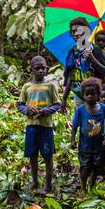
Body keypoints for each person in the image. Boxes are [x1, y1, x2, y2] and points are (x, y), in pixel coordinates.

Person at [18, 54, 63, 195]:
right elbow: (20, 104)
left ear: (47, 69)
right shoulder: (27, 87)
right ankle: (35, 182)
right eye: (37, 68)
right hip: (31, 126)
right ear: (31, 70)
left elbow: (57, 104)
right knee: (33, 155)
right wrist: (27, 110)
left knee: (48, 155)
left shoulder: (50, 86)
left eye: (43, 68)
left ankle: (48, 185)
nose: (41, 71)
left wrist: (45, 111)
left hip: (46, 126)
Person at [71, 77, 105, 193]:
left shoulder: (103, 108)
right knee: (84, 167)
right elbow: (75, 126)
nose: (90, 96)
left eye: (92, 94)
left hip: (99, 145)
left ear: (98, 94)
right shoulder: (80, 109)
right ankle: (83, 187)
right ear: (83, 95)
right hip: (84, 146)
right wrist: (73, 140)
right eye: (87, 94)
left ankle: (92, 184)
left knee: (96, 167)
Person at [62, 20, 105, 106]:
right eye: (73, 32)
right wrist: (64, 99)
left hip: (96, 97)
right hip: (79, 96)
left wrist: (92, 59)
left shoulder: (95, 49)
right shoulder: (72, 52)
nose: (76, 34)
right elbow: (70, 76)